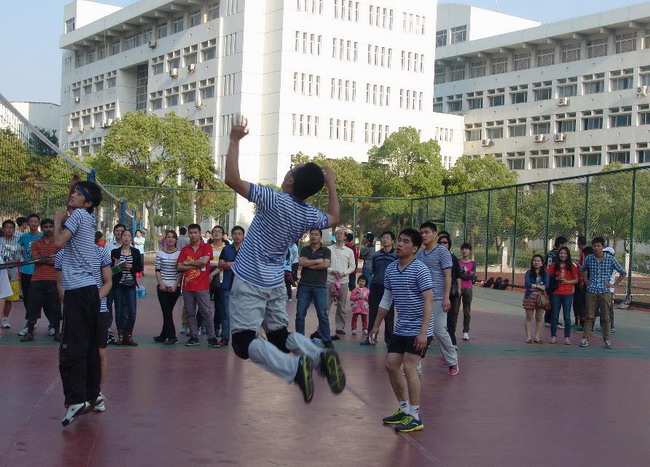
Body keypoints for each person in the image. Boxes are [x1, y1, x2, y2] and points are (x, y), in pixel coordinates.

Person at [224, 117, 345, 403]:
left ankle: (294, 369)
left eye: (291, 169)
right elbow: (334, 217)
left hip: (250, 279)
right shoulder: (308, 214)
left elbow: (232, 179)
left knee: (242, 343)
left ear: (290, 180)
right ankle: (319, 356)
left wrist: (234, 140)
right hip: (275, 282)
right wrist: (331, 185)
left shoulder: (273, 199)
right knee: (278, 335)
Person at [370, 229, 434, 433]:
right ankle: (404, 409)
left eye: (405, 242)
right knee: (391, 366)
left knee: (409, 367)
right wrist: (376, 325)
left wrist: (423, 332)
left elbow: (429, 301)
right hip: (402, 327)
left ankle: (415, 416)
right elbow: (386, 299)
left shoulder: (420, 269)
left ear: (414, 248)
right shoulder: (391, 269)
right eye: (399, 240)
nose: (399, 244)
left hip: (420, 328)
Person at [53, 180, 105, 426]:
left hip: (78, 291)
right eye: (73, 192)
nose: (73, 195)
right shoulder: (86, 217)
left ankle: (75, 400)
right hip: (90, 292)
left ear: (88, 202)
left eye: (78, 193)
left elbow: (58, 243)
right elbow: (72, 205)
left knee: (71, 348)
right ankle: (92, 395)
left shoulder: (77, 216)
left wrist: (56, 222)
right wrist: (73, 187)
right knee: (89, 347)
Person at [417, 221, 459, 376]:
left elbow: (448, 275)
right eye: (422, 233)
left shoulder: (442, 252)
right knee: (420, 331)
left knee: (439, 331)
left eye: (427, 232)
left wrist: (446, 297)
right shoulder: (420, 254)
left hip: (439, 298)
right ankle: (416, 365)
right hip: (422, 298)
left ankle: (452, 360)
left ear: (435, 234)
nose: (424, 235)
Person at [20, 218, 62, 342]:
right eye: (46, 227)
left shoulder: (59, 243)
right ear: (41, 228)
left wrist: (44, 259)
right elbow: (35, 259)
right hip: (37, 279)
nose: (48, 229)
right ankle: (30, 332)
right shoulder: (35, 243)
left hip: (53, 279)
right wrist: (50, 259)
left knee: (55, 306)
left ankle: (57, 332)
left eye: (50, 226)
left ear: (54, 228)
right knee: (33, 306)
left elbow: (59, 260)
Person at [580, 238, 626, 349]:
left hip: (605, 291)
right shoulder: (589, 258)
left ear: (603, 246)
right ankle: (585, 338)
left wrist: (614, 284)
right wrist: (586, 280)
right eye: (594, 246)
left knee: (605, 316)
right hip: (592, 290)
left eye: (598, 246)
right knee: (589, 316)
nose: (596, 248)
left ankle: (607, 339)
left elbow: (623, 272)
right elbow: (583, 269)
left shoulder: (610, 259)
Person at [178, 223, 218, 347]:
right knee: (190, 313)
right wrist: (197, 264)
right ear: (188, 234)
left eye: (195, 233)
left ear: (200, 234)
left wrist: (188, 263)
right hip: (187, 287)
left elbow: (204, 261)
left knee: (206, 313)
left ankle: (212, 338)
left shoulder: (206, 247)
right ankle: (194, 336)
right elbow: (179, 267)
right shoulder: (185, 249)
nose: (193, 235)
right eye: (191, 233)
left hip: (202, 287)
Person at [295, 228, 333, 347]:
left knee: (322, 314)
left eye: (316, 234)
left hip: (320, 286)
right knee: (300, 314)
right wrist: (317, 261)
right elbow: (301, 263)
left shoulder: (326, 250)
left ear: (320, 237)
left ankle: (327, 340)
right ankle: (300, 340)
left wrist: (309, 264)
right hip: (304, 285)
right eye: (312, 234)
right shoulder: (304, 249)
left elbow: (326, 264)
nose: (313, 236)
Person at [361, 231, 396, 346]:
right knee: (373, 313)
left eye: (387, 237)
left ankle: (389, 340)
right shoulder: (376, 255)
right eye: (383, 237)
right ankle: (371, 338)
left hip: (389, 288)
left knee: (389, 314)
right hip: (376, 286)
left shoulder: (396, 255)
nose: (384, 239)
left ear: (392, 241)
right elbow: (374, 270)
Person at [111, 229, 143, 346]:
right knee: (119, 310)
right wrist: (116, 266)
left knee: (132, 311)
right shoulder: (115, 252)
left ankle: (128, 334)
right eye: (124, 235)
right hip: (118, 284)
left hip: (130, 284)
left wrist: (131, 266)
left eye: (128, 236)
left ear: (131, 238)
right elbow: (111, 270)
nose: (126, 238)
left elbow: (139, 267)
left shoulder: (135, 252)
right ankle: (120, 335)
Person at [217, 225, 245, 347]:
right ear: (231, 236)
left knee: (242, 314)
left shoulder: (248, 249)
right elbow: (221, 264)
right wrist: (236, 264)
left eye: (239, 234)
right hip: (227, 285)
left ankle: (240, 339)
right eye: (235, 234)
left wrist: (230, 264)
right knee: (226, 313)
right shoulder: (226, 249)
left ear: (243, 235)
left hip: (244, 286)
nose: (237, 236)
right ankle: (225, 337)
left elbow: (248, 266)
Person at [546, 246, 579, 345]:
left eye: (565, 253)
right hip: (556, 293)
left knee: (567, 316)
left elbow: (576, 280)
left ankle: (567, 337)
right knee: (554, 315)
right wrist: (556, 278)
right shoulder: (554, 265)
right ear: (558, 254)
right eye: (561, 253)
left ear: (568, 255)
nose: (563, 255)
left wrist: (567, 281)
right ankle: (553, 336)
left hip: (567, 293)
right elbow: (547, 276)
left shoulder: (571, 266)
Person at [17, 214, 43, 335]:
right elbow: (18, 249)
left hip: (40, 271)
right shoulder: (24, 237)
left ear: (38, 223)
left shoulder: (43, 236)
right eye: (31, 221)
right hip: (26, 270)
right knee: (27, 297)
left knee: (42, 297)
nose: (33, 223)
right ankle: (30, 320)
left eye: (35, 221)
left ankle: (52, 324)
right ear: (28, 223)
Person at [154, 230, 182, 344]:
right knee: (166, 312)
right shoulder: (160, 253)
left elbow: (180, 272)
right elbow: (157, 270)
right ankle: (167, 335)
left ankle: (170, 336)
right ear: (165, 239)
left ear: (176, 240)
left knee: (168, 312)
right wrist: (161, 284)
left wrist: (175, 285)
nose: (170, 239)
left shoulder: (179, 254)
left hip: (174, 287)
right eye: (168, 237)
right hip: (162, 287)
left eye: (173, 237)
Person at [327, 228, 356, 336]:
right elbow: (325, 264)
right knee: (326, 306)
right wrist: (332, 271)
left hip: (343, 282)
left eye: (341, 234)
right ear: (335, 236)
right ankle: (322, 326)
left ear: (345, 237)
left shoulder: (349, 251)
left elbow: (353, 266)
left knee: (341, 306)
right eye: (337, 234)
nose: (339, 235)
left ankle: (340, 327)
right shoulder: (328, 249)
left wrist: (344, 273)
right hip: (330, 281)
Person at [437, 233, 462, 347]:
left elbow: (458, 275)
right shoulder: (435, 257)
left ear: (449, 244)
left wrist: (459, 289)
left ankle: (452, 341)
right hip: (438, 292)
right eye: (440, 243)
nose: (443, 245)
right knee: (436, 318)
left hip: (452, 291)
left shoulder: (453, 258)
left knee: (451, 318)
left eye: (445, 243)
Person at [523, 254, 549, 344]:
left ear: (542, 263)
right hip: (529, 297)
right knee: (529, 317)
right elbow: (527, 284)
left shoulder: (545, 274)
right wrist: (538, 286)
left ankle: (537, 337)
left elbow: (546, 285)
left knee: (539, 318)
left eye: (538, 261)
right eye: (534, 260)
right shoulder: (529, 273)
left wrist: (533, 287)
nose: (536, 262)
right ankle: (528, 337)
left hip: (541, 298)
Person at [0, 220, 21, 329]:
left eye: (11, 227)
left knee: (9, 297)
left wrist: (10, 263)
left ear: (14, 229)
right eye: (7, 227)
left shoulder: (18, 242)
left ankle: (5, 319)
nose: (9, 229)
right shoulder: (0, 241)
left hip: (12, 271)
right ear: (3, 229)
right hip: (1, 270)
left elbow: (18, 258)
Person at [545, 236, 568, 328]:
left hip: (548, 278)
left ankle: (547, 320)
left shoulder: (549, 253)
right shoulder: (558, 255)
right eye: (565, 244)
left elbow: (546, 266)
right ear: (561, 244)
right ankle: (554, 321)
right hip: (555, 279)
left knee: (550, 300)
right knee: (555, 302)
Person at [208, 225, 226, 341]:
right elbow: (204, 262)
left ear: (223, 235)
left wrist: (214, 266)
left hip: (221, 280)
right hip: (207, 280)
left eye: (219, 231)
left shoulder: (226, 248)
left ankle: (216, 327)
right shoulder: (207, 247)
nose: (216, 233)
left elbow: (225, 264)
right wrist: (218, 264)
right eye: (214, 231)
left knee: (219, 307)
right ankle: (200, 327)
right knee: (204, 306)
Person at [457, 243, 476, 341]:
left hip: (468, 289)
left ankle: (466, 332)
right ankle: (452, 330)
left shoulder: (473, 264)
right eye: (463, 249)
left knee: (467, 311)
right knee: (454, 311)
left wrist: (462, 275)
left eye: (467, 249)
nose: (465, 251)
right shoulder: (457, 262)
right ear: (461, 250)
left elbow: (471, 276)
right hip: (458, 288)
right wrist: (464, 275)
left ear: (470, 251)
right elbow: (456, 274)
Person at [573, 235, 587, 330]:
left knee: (579, 302)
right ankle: (579, 322)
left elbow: (583, 267)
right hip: (581, 279)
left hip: (581, 280)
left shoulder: (584, 253)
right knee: (579, 302)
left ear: (578, 243)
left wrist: (582, 280)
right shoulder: (583, 252)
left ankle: (581, 323)